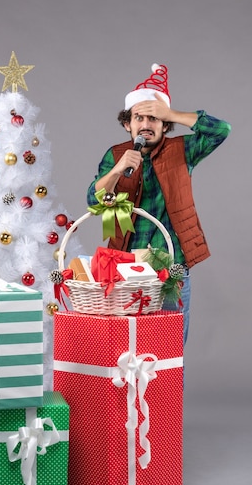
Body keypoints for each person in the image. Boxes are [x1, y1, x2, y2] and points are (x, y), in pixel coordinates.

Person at [87, 63, 231, 344]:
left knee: (168, 353)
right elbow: (94, 201)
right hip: (125, 268)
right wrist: (116, 171)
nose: (145, 124)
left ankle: (165, 391)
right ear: (128, 124)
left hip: (171, 269)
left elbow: (221, 130)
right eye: (139, 118)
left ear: (164, 124)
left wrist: (173, 112)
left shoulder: (183, 150)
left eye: (154, 118)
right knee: (124, 349)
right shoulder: (116, 155)